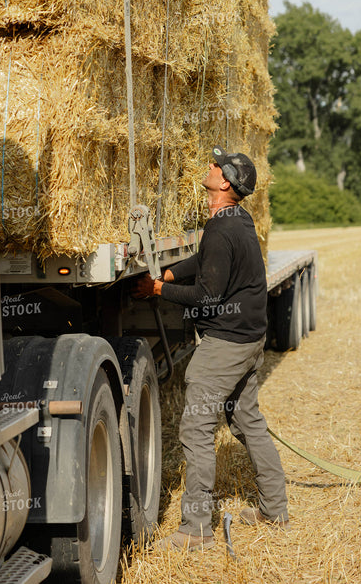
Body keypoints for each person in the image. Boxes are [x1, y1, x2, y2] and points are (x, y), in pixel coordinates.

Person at [134, 145, 290, 551]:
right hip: (249, 338)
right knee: (248, 422)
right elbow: (207, 259)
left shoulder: (223, 226)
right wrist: (173, 269)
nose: (209, 165)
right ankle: (275, 510)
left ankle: (197, 528)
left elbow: (207, 295)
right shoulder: (236, 221)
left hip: (225, 344)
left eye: (215, 164)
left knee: (197, 429)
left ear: (225, 182)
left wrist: (159, 288)